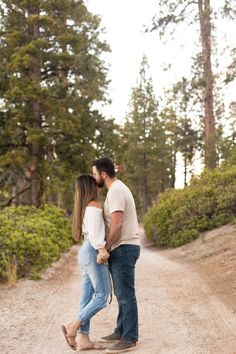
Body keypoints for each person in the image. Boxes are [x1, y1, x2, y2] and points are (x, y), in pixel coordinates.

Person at [92, 157, 140, 354]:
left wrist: (106, 247)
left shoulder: (117, 190)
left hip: (124, 248)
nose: (94, 177)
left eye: (95, 173)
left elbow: (117, 224)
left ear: (103, 174)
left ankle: (129, 338)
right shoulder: (116, 190)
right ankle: (121, 331)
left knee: (126, 295)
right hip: (123, 247)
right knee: (121, 294)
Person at [61, 174, 111, 351]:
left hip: (84, 251)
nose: (99, 186)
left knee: (87, 297)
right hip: (92, 250)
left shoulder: (82, 208)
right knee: (103, 296)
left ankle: (84, 340)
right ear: (92, 188)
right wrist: (102, 250)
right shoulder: (95, 206)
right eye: (96, 184)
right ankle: (72, 326)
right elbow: (97, 234)